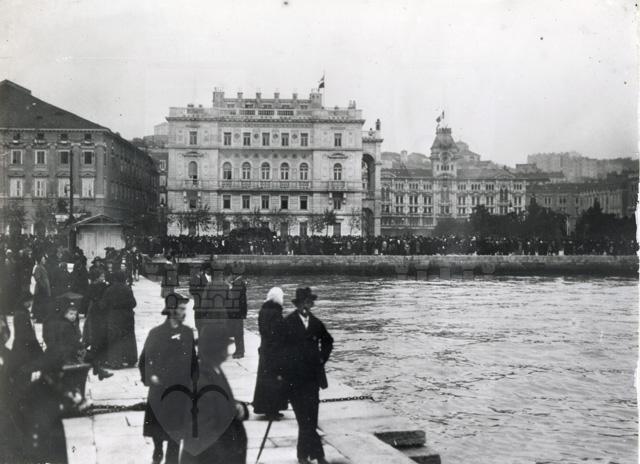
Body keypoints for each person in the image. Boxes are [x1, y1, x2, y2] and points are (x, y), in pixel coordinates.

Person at [139, 292, 196, 464]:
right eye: (181, 309)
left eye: (185, 309)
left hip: (181, 390)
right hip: (161, 390)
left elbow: (193, 362)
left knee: (177, 434)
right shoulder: (156, 333)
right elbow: (144, 360)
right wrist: (151, 376)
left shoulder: (187, 333)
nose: (184, 312)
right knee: (158, 429)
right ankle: (157, 451)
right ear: (171, 310)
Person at [181, 325, 249, 464]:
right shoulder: (202, 381)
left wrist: (238, 407)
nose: (227, 352)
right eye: (225, 347)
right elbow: (203, 432)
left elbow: (221, 400)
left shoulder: (214, 370)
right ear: (217, 350)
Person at [284, 287, 333, 464]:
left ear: (311, 304)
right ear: (298, 304)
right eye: (303, 303)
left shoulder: (316, 323)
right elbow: (276, 348)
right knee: (303, 419)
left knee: (311, 418)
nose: (306, 306)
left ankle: (305, 455)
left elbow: (328, 341)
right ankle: (315, 456)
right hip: (294, 380)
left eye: (309, 303)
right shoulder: (287, 323)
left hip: (312, 379)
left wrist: (321, 358)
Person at [252, 287, 288, 420]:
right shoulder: (276, 312)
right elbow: (277, 332)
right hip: (275, 351)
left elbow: (264, 330)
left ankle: (267, 408)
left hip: (265, 349)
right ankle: (273, 410)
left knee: (265, 380)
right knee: (274, 380)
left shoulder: (263, 310)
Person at [103, 270, 138, 368]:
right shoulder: (127, 289)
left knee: (114, 338)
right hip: (127, 316)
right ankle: (130, 359)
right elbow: (133, 303)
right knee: (128, 337)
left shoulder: (109, 289)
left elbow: (104, 304)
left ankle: (115, 361)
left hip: (114, 316)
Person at [225, 271, 247, 358]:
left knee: (238, 332)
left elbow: (233, 296)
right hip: (237, 312)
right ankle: (240, 350)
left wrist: (228, 285)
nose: (228, 278)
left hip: (236, 312)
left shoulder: (238, 283)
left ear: (233, 275)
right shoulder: (238, 282)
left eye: (229, 276)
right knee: (237, 332)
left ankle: (240, 351)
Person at [32, 253, 51, 322]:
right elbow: (37, 277)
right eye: (43, 259)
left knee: (43, 303)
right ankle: (39, 317)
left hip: (44, 288)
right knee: (40, 303)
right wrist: (43, 286)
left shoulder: (42, 267)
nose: (44, 260)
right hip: (40, 289)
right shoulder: (38, 267)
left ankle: (41, 316)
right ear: (40, 260)